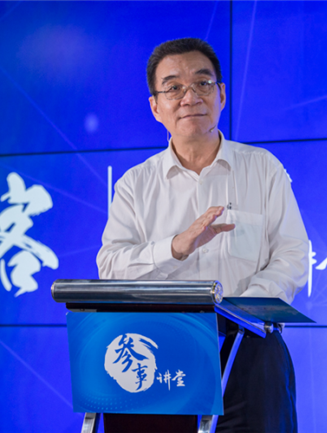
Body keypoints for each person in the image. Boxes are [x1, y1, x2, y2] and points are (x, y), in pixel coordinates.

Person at [97, 37, 308, 433]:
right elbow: (110, 268)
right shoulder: (134, 185)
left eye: (202, 83)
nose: (190, 97)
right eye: (173, 88)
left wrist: (235, 313)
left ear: (221, 94)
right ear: (155, 107)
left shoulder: (262, 168)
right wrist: (176, 247)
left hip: (250, 351)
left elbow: (292, 256)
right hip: (159, 355)